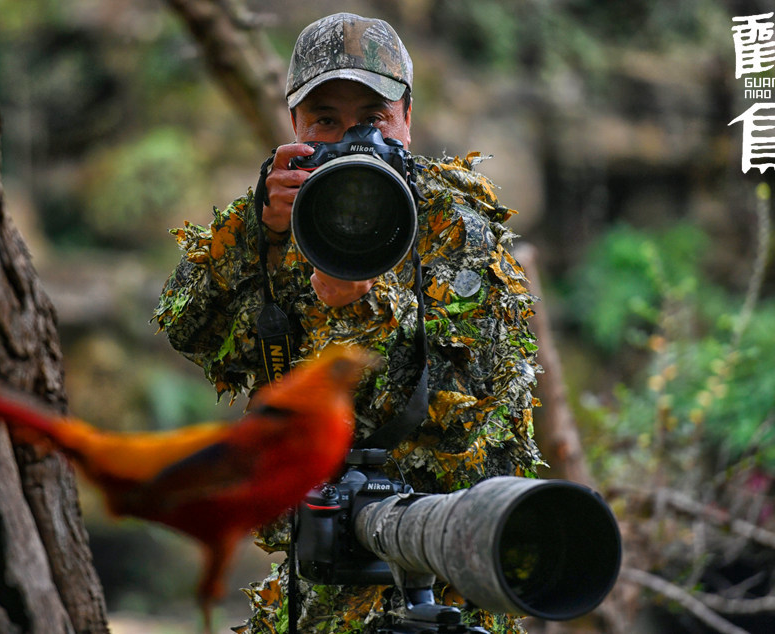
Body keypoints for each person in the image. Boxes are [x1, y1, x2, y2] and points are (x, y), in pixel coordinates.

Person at [154, 12, 541, 634]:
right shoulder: (275, 215)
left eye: (372, 119)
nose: (352, 136)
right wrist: (260, 231)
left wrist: (354, 305)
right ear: (295, 125)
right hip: (314, 579)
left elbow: (464, 404)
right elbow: (186, 328)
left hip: (442, 571)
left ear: (406, 120)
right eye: (326, 119)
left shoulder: (456, 225)